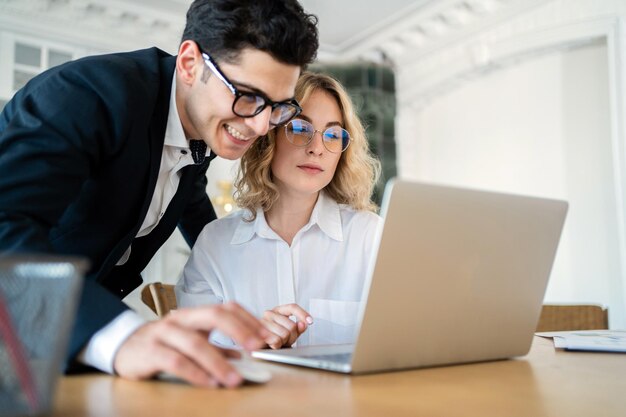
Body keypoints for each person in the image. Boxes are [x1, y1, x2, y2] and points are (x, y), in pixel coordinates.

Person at [0, 0, 318, 388]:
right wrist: (119, 336)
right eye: (248, 96)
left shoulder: (198, 130)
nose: (262, 125)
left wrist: (247, 284)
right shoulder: (83, 96)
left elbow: (193, 206)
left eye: (278, 106)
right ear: (189, 64)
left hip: (65, 354)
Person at [176, 72, 382, 349]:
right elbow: (196, 353)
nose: (317, 149)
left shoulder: (371, 236)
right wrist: (253, 344)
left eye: (333, 135)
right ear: (267, 137)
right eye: (299, 129)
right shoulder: (215, 244)